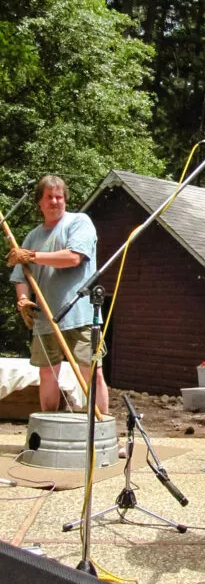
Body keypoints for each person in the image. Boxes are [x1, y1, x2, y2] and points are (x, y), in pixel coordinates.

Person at [7, 175, 109, 415]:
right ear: (39, 203)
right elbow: (21, 277)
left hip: (80, 315)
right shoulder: (32, 236)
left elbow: (73, 257)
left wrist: (32, 256)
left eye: (59, 197)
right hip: (45, 319)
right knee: (47, 373)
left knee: (92, 371)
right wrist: (23, 300)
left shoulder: (79, 222)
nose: (55, 201)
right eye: (49, 197)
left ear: (65, 199)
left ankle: (102, 432)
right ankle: (48, 430)